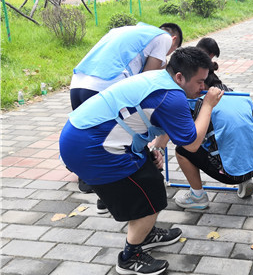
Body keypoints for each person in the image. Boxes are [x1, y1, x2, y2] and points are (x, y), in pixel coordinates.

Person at [59, 47, 223, 275]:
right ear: (179, 77)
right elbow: (192, 144)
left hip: (80, 135)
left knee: (148, 174)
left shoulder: (158, 78)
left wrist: (152, 148)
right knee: (150, 194)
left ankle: (145, 234)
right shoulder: (172, 96)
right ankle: (130, 257)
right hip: (90, 148)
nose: (203, 88)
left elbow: (149, 120)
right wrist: (207, 106)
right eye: (199, 82)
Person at [69, 22, 182, 205]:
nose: (165, 56)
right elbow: (146, 78)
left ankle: (89, 180)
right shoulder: (164, 38)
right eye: (170, 52)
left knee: (90, 136)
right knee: (121, 138)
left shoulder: (124, 30)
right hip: (106, 87)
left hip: (79, 83)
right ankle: (115, 194)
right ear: (174, 40)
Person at [173, 73, 253, 209]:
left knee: (182, 149)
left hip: (229, 174)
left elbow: (194, 139)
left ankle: (198, 197)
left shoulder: (203, 102)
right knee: (230, 138)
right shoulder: (240, 96)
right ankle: (245, 178)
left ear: (202, 85)